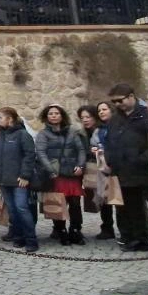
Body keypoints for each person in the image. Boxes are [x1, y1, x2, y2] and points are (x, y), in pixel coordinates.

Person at [105, 83, 148, 256]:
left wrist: (142, 160)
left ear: (131, 97)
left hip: (146, 171)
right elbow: (110, 142)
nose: (117, 104)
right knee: (133, 209)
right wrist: (110, 160)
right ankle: (140, 240)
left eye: (120, 100)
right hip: (123, 172)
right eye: (114, 102)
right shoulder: (114, 120)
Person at [35, 104, 87, 245]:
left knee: (75, 204)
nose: (54, 115)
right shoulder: (43, 134)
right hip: (56, 174)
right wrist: (50, 169)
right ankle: (61, 230)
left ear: (62, 115)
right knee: (58, 203)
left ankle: (75, 230)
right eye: (51, 113)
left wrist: (80, 165)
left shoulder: (72, 132)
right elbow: (41, 153)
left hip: (72, 172)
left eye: (56, 113)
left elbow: (81, 149)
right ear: (46, 117)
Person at [0, 108, 38, 253]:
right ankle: (18, 237)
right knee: (12, 211)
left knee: (22, 208)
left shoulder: (22, 135)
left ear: (10, 119)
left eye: (1, 117)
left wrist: (25, 175)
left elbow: (29, 155)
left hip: (19, 180)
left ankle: (31, 239)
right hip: (4, 180)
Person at [91, 101, 117, 240]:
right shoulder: (98, 130)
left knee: (119, 200)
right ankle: (107, 228)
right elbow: (94, 144)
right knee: (104, 199)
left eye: (104, 109)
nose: (101, 112)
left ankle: (127, 230)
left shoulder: (119, 126)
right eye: (99, 110)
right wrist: (95, 149)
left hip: (119, 168)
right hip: (103, 168)